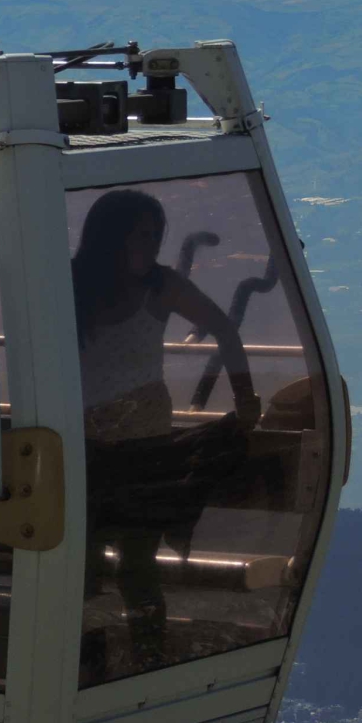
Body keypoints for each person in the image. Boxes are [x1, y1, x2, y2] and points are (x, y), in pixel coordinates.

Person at [72, 189, 261, 673]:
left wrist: (244, 401)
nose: (150, 245)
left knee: (137, 564)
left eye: (156, 235)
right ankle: (85, 662)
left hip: (145, 448)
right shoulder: (71, 283)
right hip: (80, 447)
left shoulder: (161, 287)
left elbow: (224, 328)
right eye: (140, 235)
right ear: (110, 238)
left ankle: (148, 658)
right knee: (82, 567)